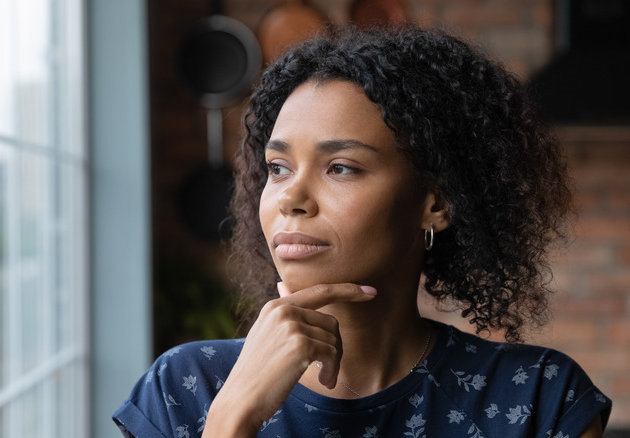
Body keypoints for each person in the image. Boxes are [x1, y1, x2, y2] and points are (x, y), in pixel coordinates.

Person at [113, 25, 612, 437]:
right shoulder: (183, 389)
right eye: (279, 168)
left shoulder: (539, 400)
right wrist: (232, 419)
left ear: (436, 203)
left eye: (341, 168)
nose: (290, 198)